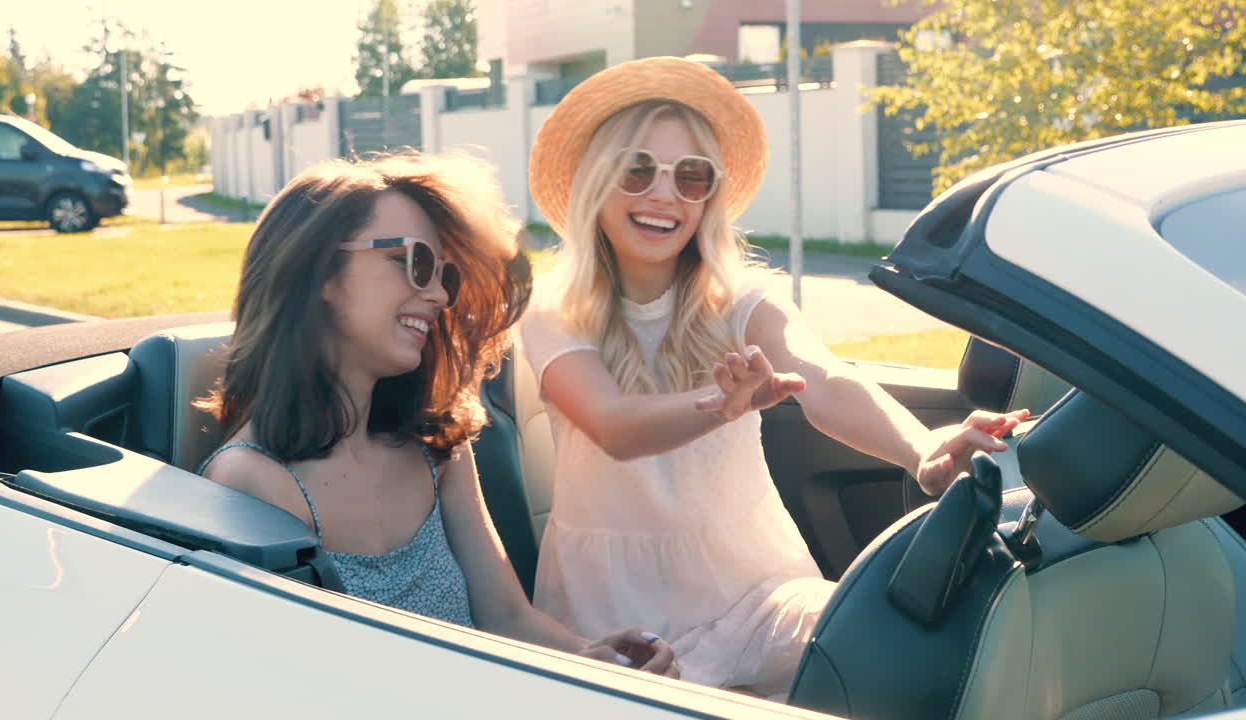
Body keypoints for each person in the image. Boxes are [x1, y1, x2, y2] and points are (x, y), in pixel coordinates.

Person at [520, 57, 1029, 697]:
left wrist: (921, 448)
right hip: (615, 614)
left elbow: (824, 377)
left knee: (873, 650)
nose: (663, 195)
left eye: (692, 176)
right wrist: (719, 404)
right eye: (637, 169)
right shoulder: (554, 309)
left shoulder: (742, 299)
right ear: (596, 182)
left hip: (758, 596)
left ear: (711, 196)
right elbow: (613, 427)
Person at [195, 151, 676, 677]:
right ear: (321, 274)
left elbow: (507, 619)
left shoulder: (435, 445)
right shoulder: (253, 482)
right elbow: (305, 684)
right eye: (415, 262)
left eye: (445, 274)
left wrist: (597, 660)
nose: (438, 294)